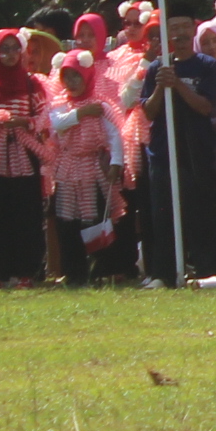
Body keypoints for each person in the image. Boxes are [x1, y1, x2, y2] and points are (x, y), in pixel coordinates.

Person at [129, 19, 216, 279]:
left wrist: (179, 84)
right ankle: (165, 274)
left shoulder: (206, 65)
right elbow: (148, 112)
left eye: (184, 27)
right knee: (163, 214)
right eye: (174, 28)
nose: (180, 34)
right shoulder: (157, 68)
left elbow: (205, 107)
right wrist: (162, 84)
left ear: (193, 31)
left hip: (196, 150)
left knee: (200, 211)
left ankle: (207, 269)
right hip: (163, 150)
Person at [0, 29, 53, 286]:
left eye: (15, 49)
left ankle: (27, 272)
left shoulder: (33, 83)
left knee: (27, 216)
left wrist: (25, 123)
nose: (9, 55)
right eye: (3, 50)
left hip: (25, 156)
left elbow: (44, 117)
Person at [43, 53, 125, 282]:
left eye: (76, 76)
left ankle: (100, 270)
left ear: (87, 75)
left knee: (96, 218)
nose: (71, 82)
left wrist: (116, 163)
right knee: (67, 220)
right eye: (66, 77)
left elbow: (114, 135)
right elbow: (57, 123)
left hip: (93, 168)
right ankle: (73, 271)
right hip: (67, 169)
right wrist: (82, 112)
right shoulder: (60, 104)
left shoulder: (101, 105)